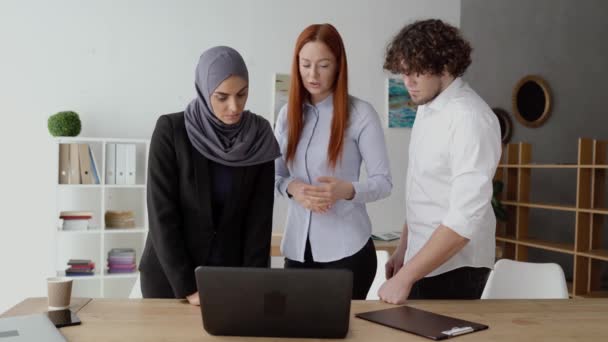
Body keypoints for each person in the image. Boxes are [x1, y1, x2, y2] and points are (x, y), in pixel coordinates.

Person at [139, 46, 280, 305]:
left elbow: (259, 222)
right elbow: (161, 215)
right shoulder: (171, 131)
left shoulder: (258, 136)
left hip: (230, 279)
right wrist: (189, 288)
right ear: (204, 91)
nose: (234, 106)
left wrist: (252, 286)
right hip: (170, 280)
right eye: (222, 96)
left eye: (242, 94)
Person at [378, 19, 502, 304]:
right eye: (403, 72)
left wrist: (406, 276)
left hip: (456, 268)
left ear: (445, 65)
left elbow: (464, 219)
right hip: (420, 261)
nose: (406, 82)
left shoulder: (470, 118)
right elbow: (422, 190)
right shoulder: (427, 107)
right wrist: (403, 250)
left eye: (415, 73)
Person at [274, 23, 392, 299]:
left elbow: (383, 182)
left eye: (323, 65)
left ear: (339, 66)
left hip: (348, 253)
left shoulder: (361, 114)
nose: (312, 74)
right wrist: (294, 188)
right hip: (297, 252)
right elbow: (273, 176)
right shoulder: (286, 115)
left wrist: (346, 190)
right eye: (305, 64)